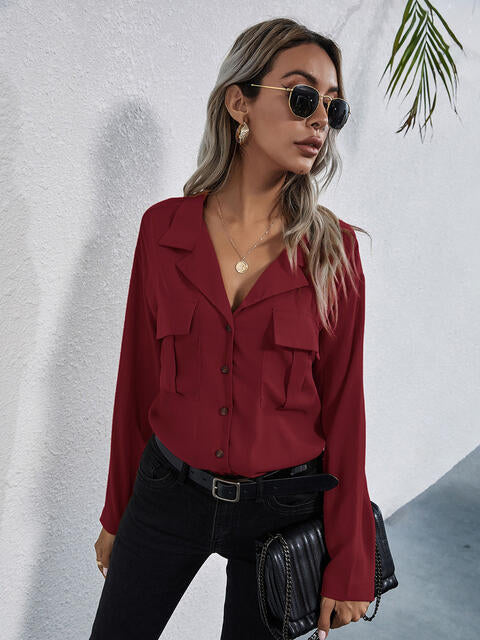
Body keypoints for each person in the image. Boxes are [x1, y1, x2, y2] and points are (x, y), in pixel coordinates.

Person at [89, 17, 376, 640]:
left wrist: (351, 559)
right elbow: (135, 384)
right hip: (168, 492)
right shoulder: (162, 231)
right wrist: (117, 512)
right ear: (238, 102)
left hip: (284, 511)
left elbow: (344, 411)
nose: (320, 121)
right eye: (302, 96)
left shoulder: (335, 251)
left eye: (333, 107)